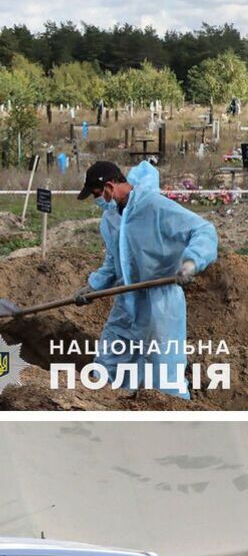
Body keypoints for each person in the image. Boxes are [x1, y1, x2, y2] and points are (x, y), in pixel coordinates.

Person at [75, 160, 218, 398]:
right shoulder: (110, 220)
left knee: (164, 374)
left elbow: (203, 231)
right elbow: (113, 262)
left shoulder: (154, 206)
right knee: (107, 364)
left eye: (98, 194)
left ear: (110, 186)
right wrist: (91, 288)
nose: (97, 200)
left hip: (160, 305)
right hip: (126, 301)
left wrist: (190, 263)